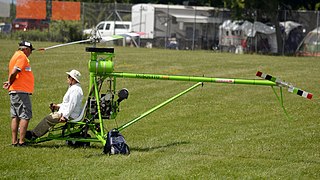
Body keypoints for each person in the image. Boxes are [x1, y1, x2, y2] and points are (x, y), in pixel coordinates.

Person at [26, 69, 83, 139]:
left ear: (73, 79)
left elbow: (72, 105)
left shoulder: (76, 90)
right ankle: (33, 134)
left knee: (49, 118)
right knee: (50, 117)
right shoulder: (73, 88)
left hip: (70, 115)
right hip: (67, 113)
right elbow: (67, 104)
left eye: (69, 76)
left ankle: (33, 135)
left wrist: (65, 117)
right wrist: (57, 106)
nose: (67, 78)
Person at [3, 41, 35, 146]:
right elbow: (14, 72)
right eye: (30, 51)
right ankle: (21, 141)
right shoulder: (22, 57)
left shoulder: (15, 55)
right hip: (21, 91)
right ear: (25, 49)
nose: (30, 53)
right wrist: (10, 82)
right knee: (25, 115)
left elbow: (13, 74)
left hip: (14, 90)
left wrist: (9, 83)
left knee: (15, 116)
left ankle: (14, 141)